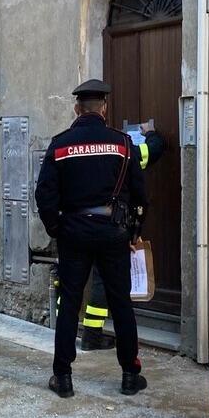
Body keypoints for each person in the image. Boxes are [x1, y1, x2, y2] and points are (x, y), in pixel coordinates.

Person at [34, 79, 149, 398]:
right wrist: (134, 231)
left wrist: (56, 228)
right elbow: (140, 194)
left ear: (76, 109)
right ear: (104, 109)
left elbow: (44, 194)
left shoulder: (60, 145)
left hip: (74, 232)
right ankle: (130, 375)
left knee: (69, 303)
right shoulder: (123, 143)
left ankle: (63, 377)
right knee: (121, 302)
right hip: (113, 233)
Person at [81, 122, 166, 350]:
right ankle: (92, 335)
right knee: (105, 280)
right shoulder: (122, 150)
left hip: (77, 225)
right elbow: (152, 150)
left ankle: (64, 329)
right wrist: (151, 133)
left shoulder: (76, 150)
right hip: (108, 226)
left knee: (72, 277)